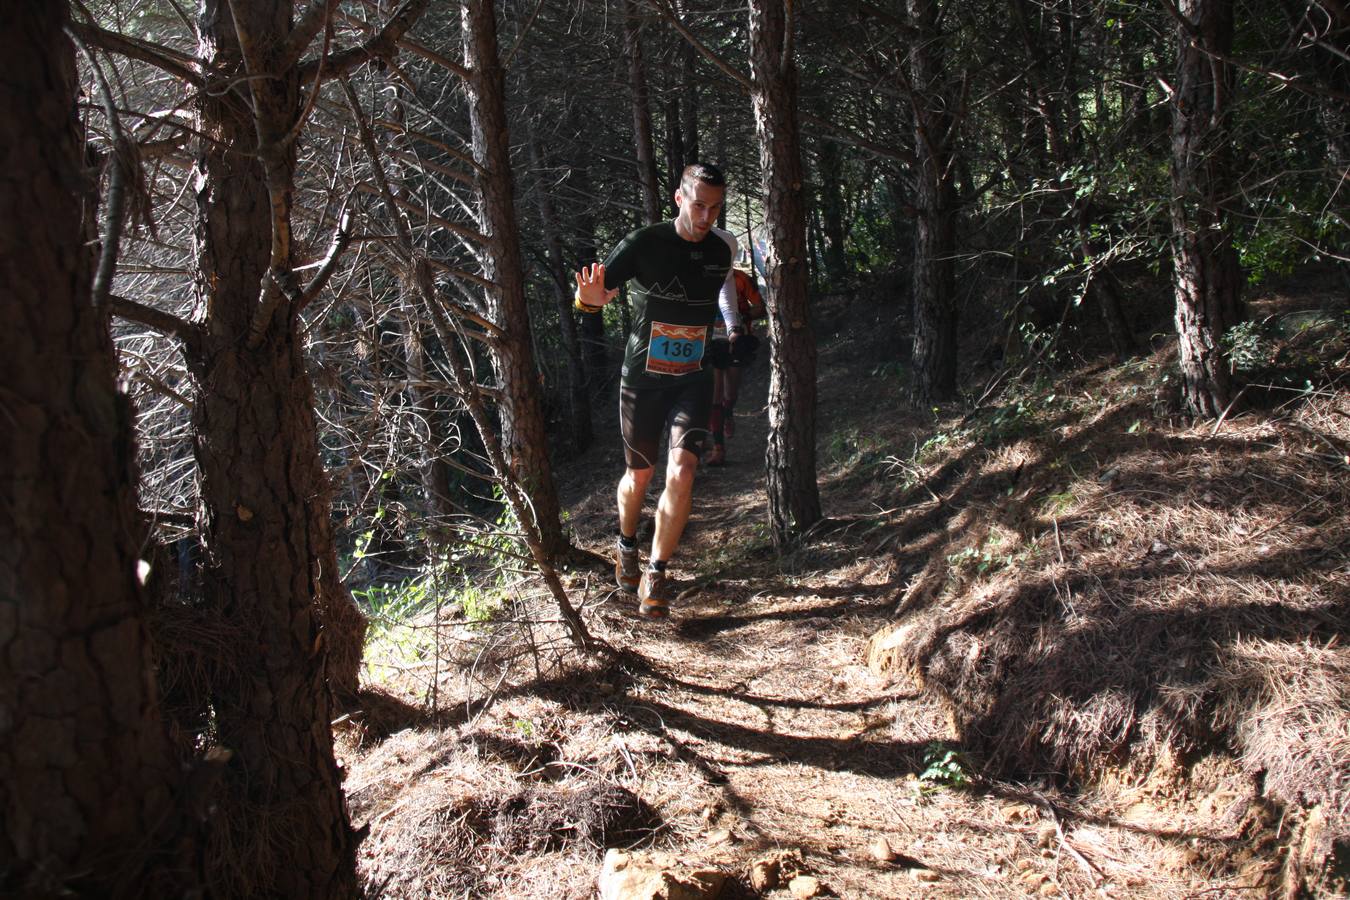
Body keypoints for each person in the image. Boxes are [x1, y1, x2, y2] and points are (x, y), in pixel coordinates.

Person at [573, 163, 745, 618]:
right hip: (643, 379)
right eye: (698, 205)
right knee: (640, 477)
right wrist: (588, 296)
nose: (707, 216)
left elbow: (723, 291)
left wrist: (733, 328)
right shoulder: (643, 243)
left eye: (715, 207)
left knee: (684, 472)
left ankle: (657, 571)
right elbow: (595, 297)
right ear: (678, 198)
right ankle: (626, 542)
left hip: (693, 378)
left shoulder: (724, 247)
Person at [704, 264, 765, 465]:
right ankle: (718, 448)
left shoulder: (740, 278)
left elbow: (760, 307)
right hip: (710, 342)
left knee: (730, 393)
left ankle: (728, 413)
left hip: (737, 342)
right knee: (715, 394)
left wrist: (741, 317)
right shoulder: (700, 277)